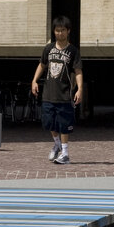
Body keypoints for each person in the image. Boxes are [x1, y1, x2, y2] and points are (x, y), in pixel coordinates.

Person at [31, 15, 83, 165]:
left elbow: (78, 71)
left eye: (63, 30)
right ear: (54, 31)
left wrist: (80, 89)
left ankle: (65, 153)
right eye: (57, 30)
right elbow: (42, 65)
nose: (60, 33)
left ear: (68, 31)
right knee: (49, 123)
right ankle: (57, 143)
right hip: (48, 93)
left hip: (64, 93)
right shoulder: (48, 48)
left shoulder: (73, 51)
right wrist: (34, 80)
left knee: (64, 123)